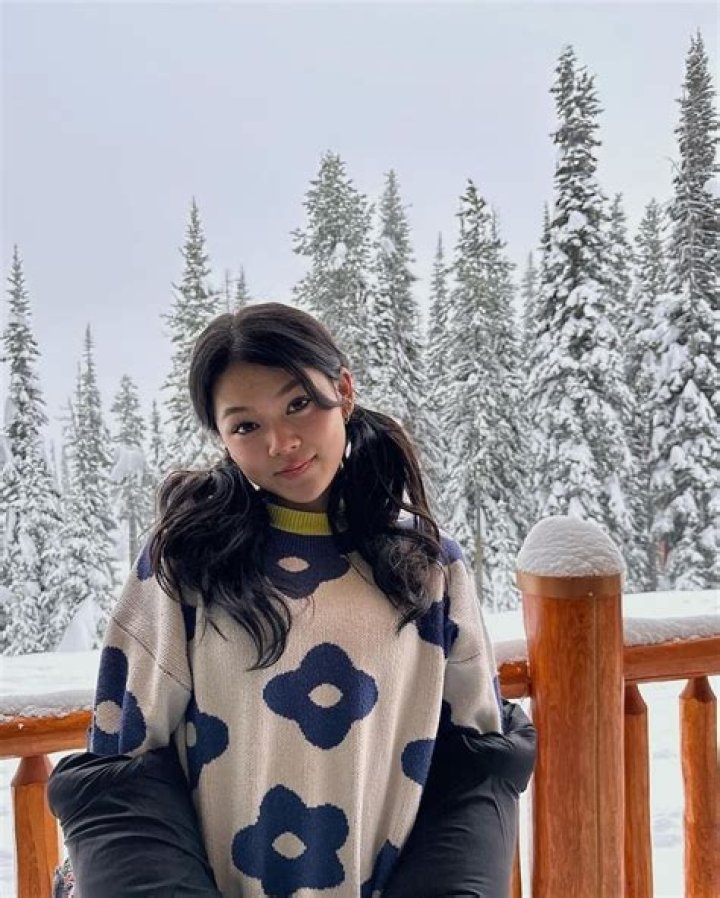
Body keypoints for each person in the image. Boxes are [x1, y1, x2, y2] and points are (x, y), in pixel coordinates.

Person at [49, 302, 535, 897]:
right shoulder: (186, 564)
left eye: (298, 404)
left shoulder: (428, 567)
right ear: (223, 439)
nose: (281, 442)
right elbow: (123, 763)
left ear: (344, 391)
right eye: (246, 426)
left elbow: (475, 761)